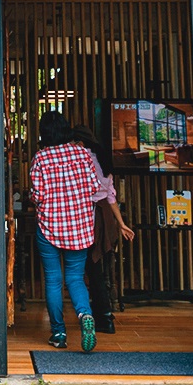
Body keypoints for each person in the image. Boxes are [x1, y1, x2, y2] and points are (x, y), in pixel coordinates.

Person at [28, 110, 102, 351]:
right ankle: (85, 314)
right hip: (79, 226)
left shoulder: (41, 158)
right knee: (75, 278)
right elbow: (95, 187)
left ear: (43, 133)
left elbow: (38, 196)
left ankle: (59, 333)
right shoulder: (82, 154)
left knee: (53, 279)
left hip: (49, 226)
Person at [73, 127, 134, 333]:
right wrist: (121, 223)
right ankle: (103, 314)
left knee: (91, 267)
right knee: (97, 266)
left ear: (80, 143)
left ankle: (103, 316)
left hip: (89, 216)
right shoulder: (103, 160)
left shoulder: (82, 160)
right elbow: (111, 196)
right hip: (105, 217)